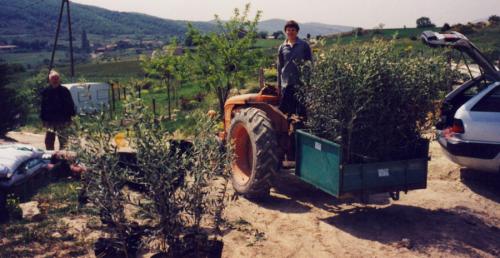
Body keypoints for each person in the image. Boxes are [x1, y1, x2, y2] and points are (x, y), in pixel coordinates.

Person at [277, 20, 313, 117]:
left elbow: (310, 63)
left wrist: (309, 82)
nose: (290, 32)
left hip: (300, 83)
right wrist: (279, 85)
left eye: (293, 30)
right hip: (286, 83)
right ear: (285, 32)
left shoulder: (304, 45)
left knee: (301, 111)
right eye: (288, 30)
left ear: (297, 31)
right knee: (286, 112)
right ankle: (288, 131)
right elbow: (280, 67)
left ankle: (299, 130)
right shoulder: (282, 47)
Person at [40, 70, 76, 150]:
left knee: (64, 141)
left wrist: (71, 117)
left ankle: (62, 158)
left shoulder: (64, 90)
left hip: (63, 120)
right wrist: (43, 119)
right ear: (50, 80)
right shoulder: (46, 91)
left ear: (59, 79)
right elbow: (43, 106)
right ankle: (51, 156)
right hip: (50, 121)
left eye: (56, 78)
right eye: (53, 78)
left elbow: (70, 104)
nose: (55, 80)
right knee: (49, 141)